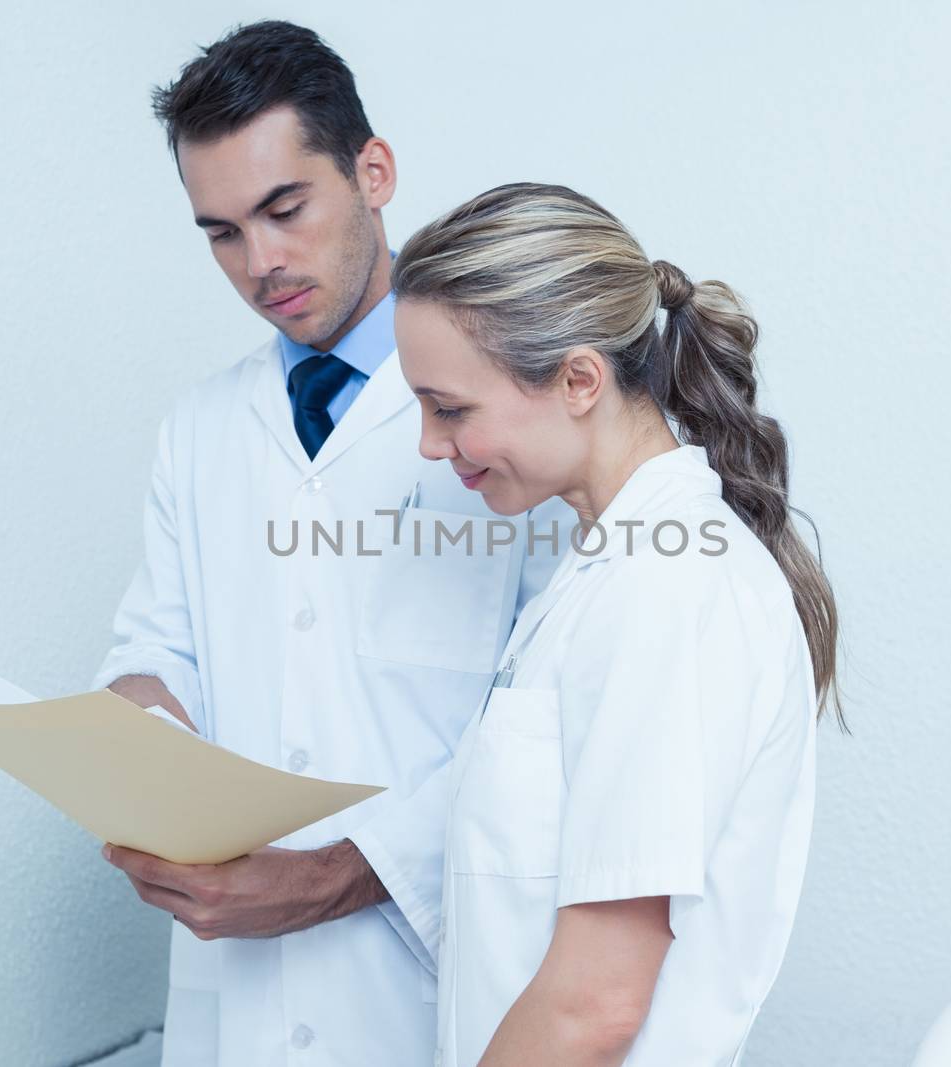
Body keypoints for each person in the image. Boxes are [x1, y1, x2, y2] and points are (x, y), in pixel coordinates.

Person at [92, 25, 565, 1067]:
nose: (260, 264)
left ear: (373, 172)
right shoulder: (200, 429)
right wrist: (137, 738)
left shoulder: (513, 412)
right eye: (220, 232)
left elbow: (554, 709)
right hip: (240, 998)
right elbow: (155, 647)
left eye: (283, 209)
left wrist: (335, 872)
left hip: (429, 978)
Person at [390, 182, 842, 1066]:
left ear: (580, 379)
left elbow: (594, 1004)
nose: (428, 444)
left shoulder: (669, 588)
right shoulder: (607, 572)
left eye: (449, 408)